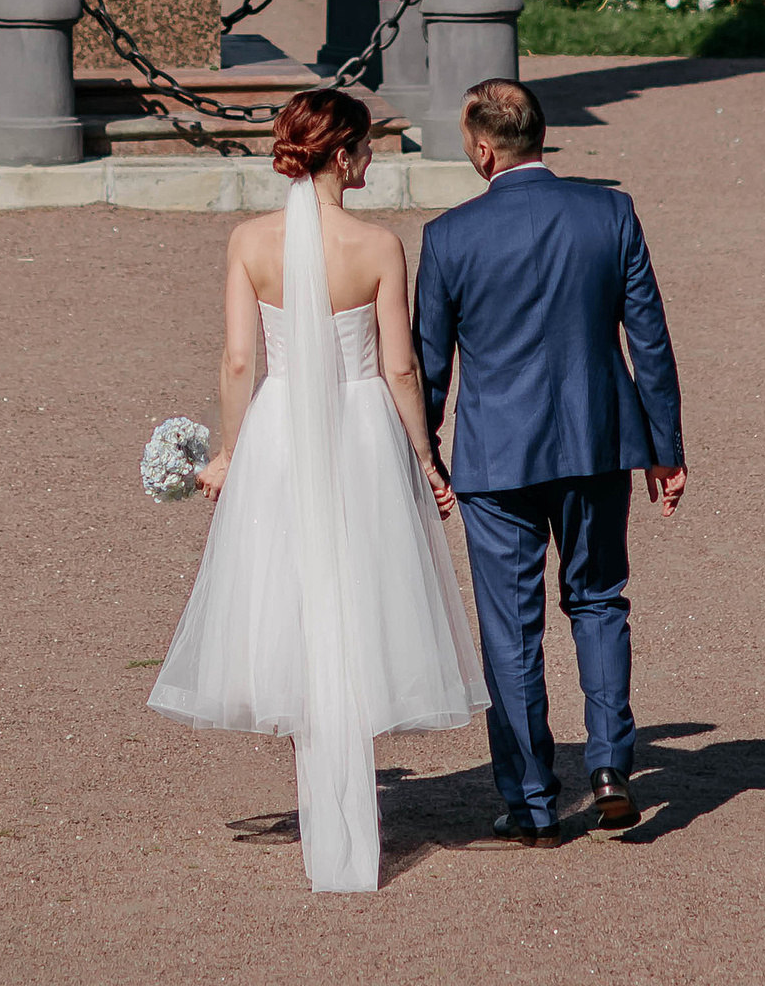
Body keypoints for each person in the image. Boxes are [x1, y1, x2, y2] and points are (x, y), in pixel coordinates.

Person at [150, 87, 486, 891]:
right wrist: (427, 457)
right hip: (361, 427)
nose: (372, 160)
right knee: (359, 595)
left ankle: (321, 790)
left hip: (281, 427)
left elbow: (239, 361)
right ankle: (348, 802)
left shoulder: (250, 241)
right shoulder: (377, 245)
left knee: (294, 594)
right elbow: (401, 367)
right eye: (367, 149)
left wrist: (231, 449)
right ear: (342, 156)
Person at [412, 79, 686, 845]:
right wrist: (665, 448)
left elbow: (428, 367)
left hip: (496, 457)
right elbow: (650, 341)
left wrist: (424, 457)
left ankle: (532, 801)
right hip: (597, 441)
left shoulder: (448, 237)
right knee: (599, 599)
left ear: (483, 147)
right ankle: (608, 764)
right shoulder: (610, 212)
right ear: (541, 134)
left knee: (512, 627)